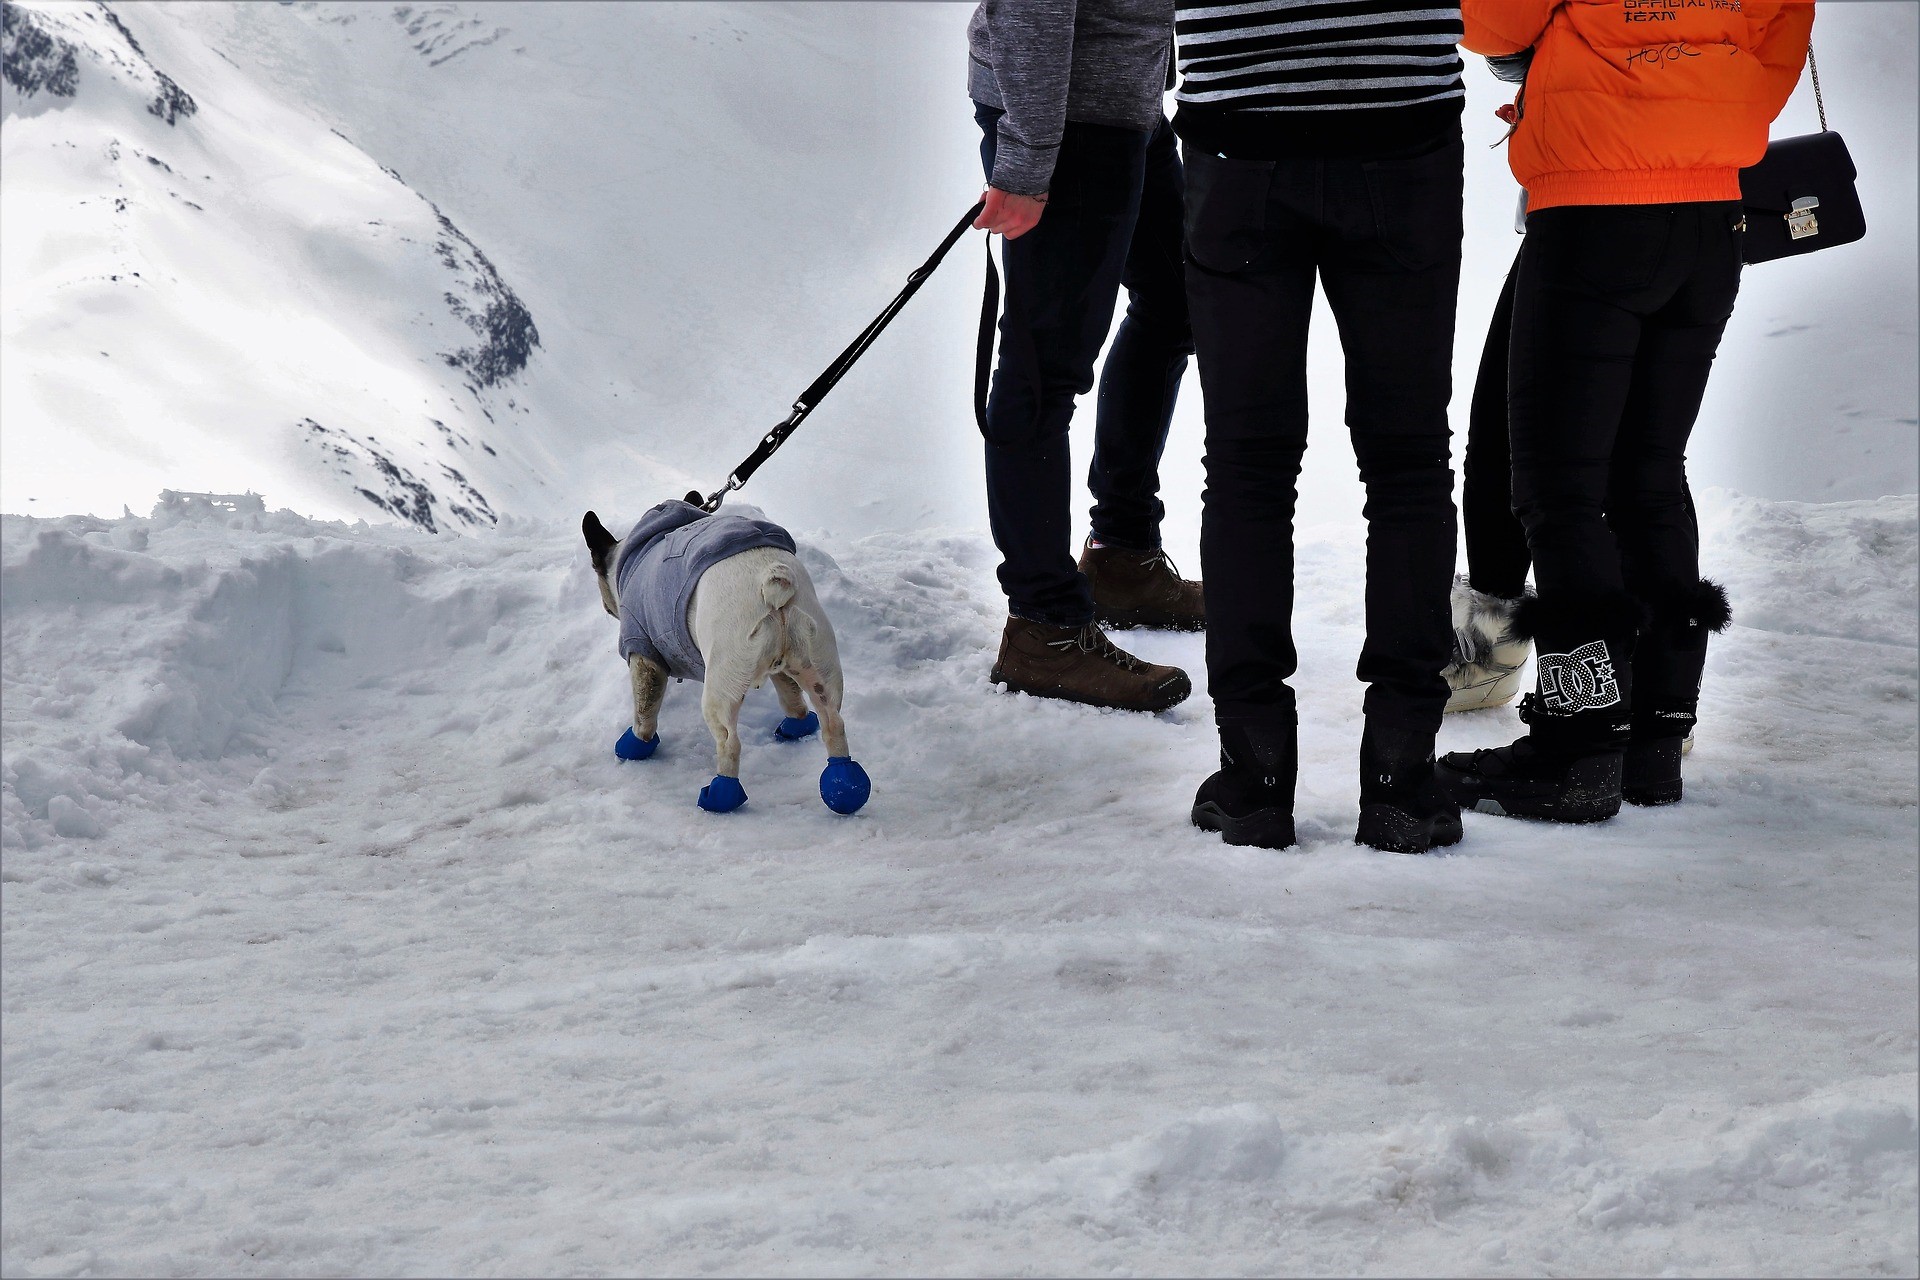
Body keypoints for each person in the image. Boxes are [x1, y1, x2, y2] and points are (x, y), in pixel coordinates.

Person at [1437, 0, 1814, 823]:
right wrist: (1697, 105)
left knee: (1560, 493)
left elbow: (1496, 20)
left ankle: (1578, 741)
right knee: (1648, 475)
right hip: (1714, 211)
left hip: (1596, 210)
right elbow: (1782, 38)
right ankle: (1655, 731)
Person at [1175, 0, 1470, 853]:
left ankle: (1254, 775)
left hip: (1240, 127)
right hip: (1402, 126)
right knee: (1410, 458)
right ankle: (1401, 778)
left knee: (1245, 462)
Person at [968, 0, 1205, 715]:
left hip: (1124, 103)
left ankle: (1122, 558)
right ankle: (1044, 625)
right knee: (1045, 364)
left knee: (1178, 303)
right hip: (1064, 118)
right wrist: (1030, 158)